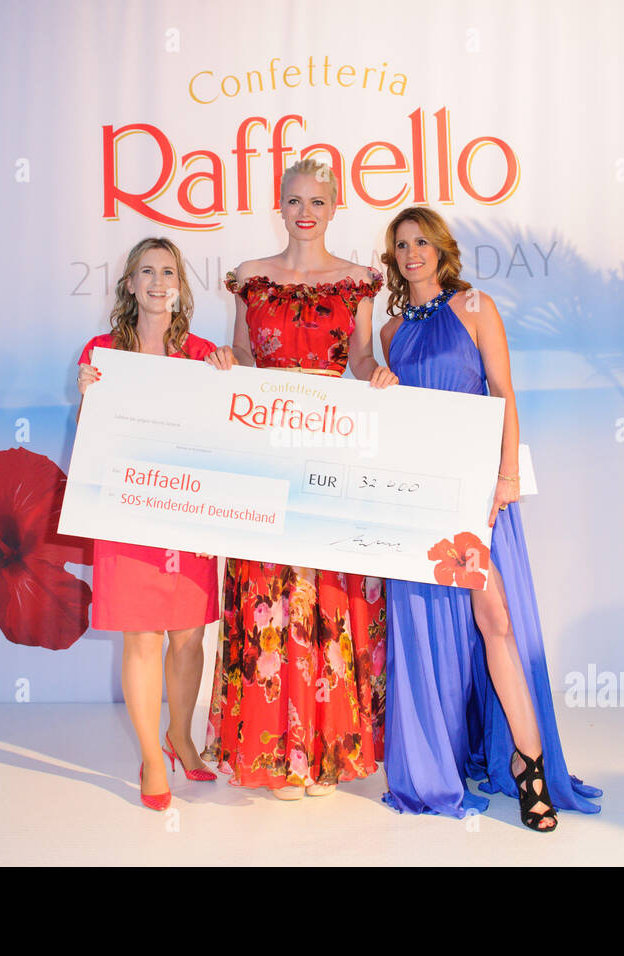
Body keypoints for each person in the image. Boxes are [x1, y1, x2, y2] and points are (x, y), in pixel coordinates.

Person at [377, 207, 602, 831]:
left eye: (422, 241)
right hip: (420, 498)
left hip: (479, 497)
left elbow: (502, 392)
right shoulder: (391, 331)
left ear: (441, 248)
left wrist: (505, 479)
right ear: (392, 257)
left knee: (496, 620)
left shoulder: (475, 306)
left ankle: (529, 769)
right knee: (430, 634)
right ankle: (441, 765)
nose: (412, 252)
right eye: (401, 245)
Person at [202, 159, 395, 799]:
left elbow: (362, 354)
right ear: (279, 206)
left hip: (330, 450)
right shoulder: (250, 278)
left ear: (334, 208)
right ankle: (278, 755)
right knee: (267, 587)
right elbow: (248, 355)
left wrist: (374, 373)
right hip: (265, 447)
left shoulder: (360, 281)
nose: (305, 210)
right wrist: (229, 361)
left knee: (324, 590)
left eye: (317, 200)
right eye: (294, 199)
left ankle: (324, 752)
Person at [76, 237, 220, 811]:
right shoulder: (101, 350)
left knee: (188, 636)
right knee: (141, 636)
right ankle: (151, 758)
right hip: (127, 510)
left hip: (189, 509)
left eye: (169, 272)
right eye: (146, 272)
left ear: (180, 285)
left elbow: (224, 430)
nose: (159, 282)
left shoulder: (206, 352)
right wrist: (87, 396)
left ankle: (181, 736)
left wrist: (227, 376)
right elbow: (93, 437)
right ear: (129, 285)